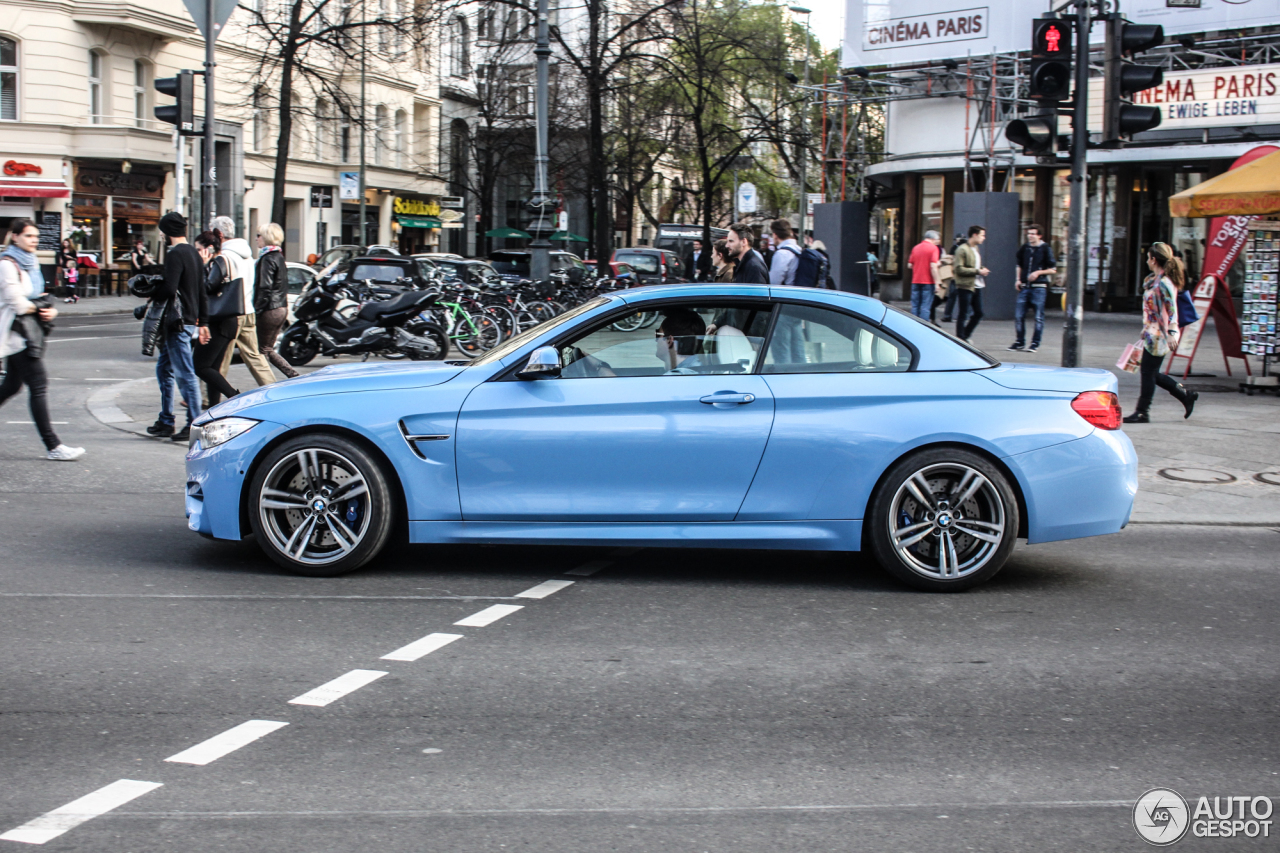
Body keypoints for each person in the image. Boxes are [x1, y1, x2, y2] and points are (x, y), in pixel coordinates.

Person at [0, 219, 85, 460]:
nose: (34, 240)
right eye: (28, 236)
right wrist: (40, 309)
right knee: (38, 385)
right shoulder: (7, 264)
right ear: (14, 237)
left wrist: (51, 309)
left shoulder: (31, 262)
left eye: (36, 236)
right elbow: (17, 303)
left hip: (29, 332)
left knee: (11, 386)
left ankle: (54, 447)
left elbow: (42, 296)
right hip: (16, 335)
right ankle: (54, 446)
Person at [1124, 242, 1198, 423]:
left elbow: (1172, 310)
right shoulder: (1154, 280)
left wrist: (1172, 333)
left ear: (1154, 259)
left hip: (1160, 335)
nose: (1147, 261)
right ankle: (1185, 395)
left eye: (1148, 258)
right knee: (1151, 373)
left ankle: (1143, 412)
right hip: (1151, 333)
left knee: (1148, 373)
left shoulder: (1164, 283)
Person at [148, 210, 204, 442]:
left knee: (184, 374)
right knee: (164, 369)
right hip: (189, 319)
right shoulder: (194, 253)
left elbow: (169, 289)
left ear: (167, 232)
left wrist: (152, 290)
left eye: (162, 231)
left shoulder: (175, 254)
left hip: (177, 322)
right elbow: (202, 291)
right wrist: (205, 320)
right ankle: (166, 420)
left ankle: (195, 423)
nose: (161, 235)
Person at [209, 216, 275, 394]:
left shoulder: (225, 256)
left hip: (231, 313)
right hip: (248, 310)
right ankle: (274, 389)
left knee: (220, 359)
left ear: (220, 234)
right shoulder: (248, 255)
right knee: (255, 356)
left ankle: (210, 396)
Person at [191, 230, 241, 408]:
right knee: (212, 369)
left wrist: (202, 266)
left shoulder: (219, 262)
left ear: (209, 249)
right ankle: (215, 407)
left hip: (219, 322)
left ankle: (234, 397)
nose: (197, 253)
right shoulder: (220, 261)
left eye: (198, 249)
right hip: (225, 322)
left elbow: (207, 287)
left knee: (200, 366)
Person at [253, 222, 299, 379]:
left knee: (259, 351)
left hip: (269, 309)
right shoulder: (279, 257)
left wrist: (257, 309)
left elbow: (265, 287)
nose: (256, 239)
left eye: (258, 235)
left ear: (266, 237)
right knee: (267, 349)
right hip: (281, 308)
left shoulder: (267, 259)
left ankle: (268, 383)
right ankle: (293, 375)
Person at [1009, 224, 1057, 353]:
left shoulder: (1045, 248)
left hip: (1039, 287)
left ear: (1039, 235)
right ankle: (1019, 342)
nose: (1030, 236)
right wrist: (1018, 279)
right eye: (1029, 233)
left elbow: (1053, 269)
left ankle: (1035, 343)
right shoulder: (1025, 248)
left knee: (1038, 317)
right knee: (1019, 315)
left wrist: (1038, 273)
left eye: (1033, 234)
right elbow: (1019, 264)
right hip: (1025, 286)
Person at [952, 225, 989, 341]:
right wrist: (978, 271)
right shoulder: (962, 249)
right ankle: (960, 338)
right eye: (982, 235)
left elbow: (975, 265)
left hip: (976, 284)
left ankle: (965, 335)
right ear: (975, 235)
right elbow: (958, 269)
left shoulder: (975, 249)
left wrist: (982, 269)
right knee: (963, 313)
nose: (984, 238)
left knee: (979, 312)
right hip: (965, 285)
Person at [655, 308, 708, 373]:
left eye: (658, 334)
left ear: (669, 340)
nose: (656, 340)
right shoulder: (699, 369)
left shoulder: (674, 378)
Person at [906, 230, 942, 319]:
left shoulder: (916, 248)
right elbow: (933, 266)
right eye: (937, 240)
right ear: (933, 239)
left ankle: (913, 324)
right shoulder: (933, 248)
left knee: (915, 306)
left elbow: (910, 265)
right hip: (928, 282)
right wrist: (937, 282)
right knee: (925, 307)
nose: (938, 242)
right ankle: (923, 328)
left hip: (915, 280)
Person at [941, 233, 965, 323]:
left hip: (957, 276)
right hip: (958, 276)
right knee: (955, 296)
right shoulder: (957, 248)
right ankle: (949, 315)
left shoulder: (957, 248)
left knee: (954, 296)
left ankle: (948, 315)